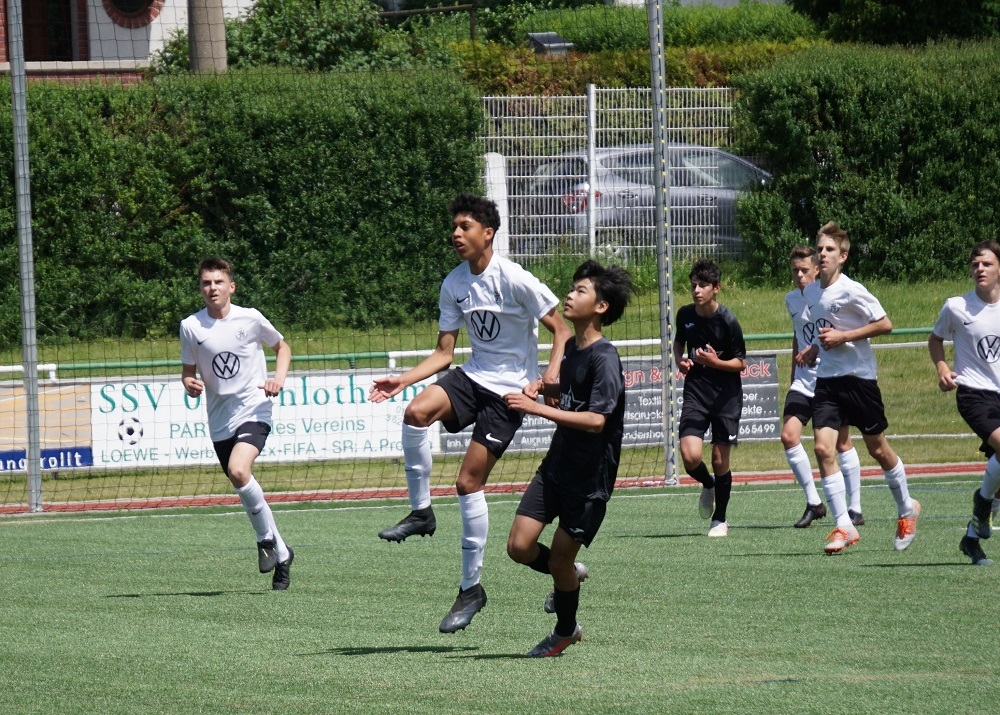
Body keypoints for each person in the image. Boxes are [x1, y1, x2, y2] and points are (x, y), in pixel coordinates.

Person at [369, 193, 572, 634]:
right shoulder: (454, 283)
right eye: (454, 227)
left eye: (465, 227)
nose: (456, 234)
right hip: (473, 375)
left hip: (508, 393)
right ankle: (421, 512)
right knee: (415, 412)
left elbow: (562, 329)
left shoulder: (514, 278)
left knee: (467, 483)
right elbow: (444, 353)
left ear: (488, 233)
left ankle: (470, 588)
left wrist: (549, 376)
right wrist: (402, 380)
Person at [505, 260, 634, 657]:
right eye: (572, 288)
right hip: (556, 467)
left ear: (601, 306)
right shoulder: (575, 349)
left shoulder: (605, 357)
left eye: (580, 291)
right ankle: (569, 575)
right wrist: (543, 388)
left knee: (559, 560)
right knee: (519, 546)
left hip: (588, 480)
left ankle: (565, 631)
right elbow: (568, 391)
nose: (569, 295)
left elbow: (596, 420)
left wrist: (537, 409)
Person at [800, 222, 920, 554]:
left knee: (877, 449)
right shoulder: (811, 292)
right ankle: (844, 525)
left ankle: (906, 508)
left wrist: (844, 337)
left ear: (843, 256)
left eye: (829, 250)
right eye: (819, 249)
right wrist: (814, 348)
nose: (823, 254)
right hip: (827, 381)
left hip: (859, 380)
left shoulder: (852, 290)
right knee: (823, 449)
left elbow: (885, 324)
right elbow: (824, 328)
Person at [180, 257, 294, 590]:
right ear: (200, 288)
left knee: (239, 470)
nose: (212, 288)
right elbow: (188, 372)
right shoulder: (191, 326)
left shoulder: (251, 318)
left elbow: (282, 347)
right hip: (219, 418)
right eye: (206, 283)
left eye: (218, 282)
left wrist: (278, 379)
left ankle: (264, 540)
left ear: (231, 286)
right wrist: (189, 384)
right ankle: (282, 553)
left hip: (254, 407)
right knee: (242, 482)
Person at [929, 240, 1000, 566]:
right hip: (973, 394)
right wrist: (943, 368)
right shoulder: (956, 307)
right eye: (975, 264)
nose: (979, 269)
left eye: (986, 263)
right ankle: (983, 504)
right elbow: (935, 339)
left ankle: (972, 535)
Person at [783, 245, 864, 528]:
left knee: (841, 443)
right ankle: (814, 503)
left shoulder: (830, 296)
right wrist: (793, 374)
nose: (799, 275)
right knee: (789, 435)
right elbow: (797, 335)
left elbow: (846, 331)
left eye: (804, 270)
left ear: (817, 269)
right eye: (795, 270)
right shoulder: (791, 299)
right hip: (803, 381)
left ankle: (855, 508)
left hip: (830, 379)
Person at [673, 259, 747, 537]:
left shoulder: (728, 320)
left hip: (726, 397)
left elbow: (741, 363)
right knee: (690, 455)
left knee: (719, 460)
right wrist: (679, 359)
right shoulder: (684, 314)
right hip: (696, 392)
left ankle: (720, 519)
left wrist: (715, 362)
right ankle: (708, 484)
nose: (696, 290)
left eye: (703, 285)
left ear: (716, 288)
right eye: (693, 285)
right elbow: (679, 341)